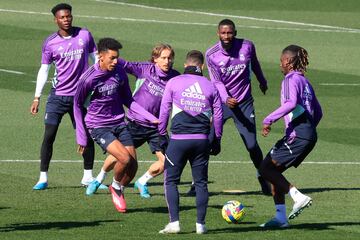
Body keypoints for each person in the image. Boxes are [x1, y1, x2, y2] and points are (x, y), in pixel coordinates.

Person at [74, 38, 159, 213]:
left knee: (133, 166)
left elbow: (128, 99)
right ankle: (115, 186)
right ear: (100, 56)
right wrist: (81, 137)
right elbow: (76, 104)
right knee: (124, 158)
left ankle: (118, 186)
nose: (115, 61)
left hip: (120, 122)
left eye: (117, 58)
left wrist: (150, 117)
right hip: (98, 126)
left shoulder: (119, 72)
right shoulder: (88, 78)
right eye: (112, 58)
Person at [85, 44, 180, 198]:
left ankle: (142, 181)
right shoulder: (145, 69)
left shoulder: (175, 77)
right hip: (135, 122)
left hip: (156, 127)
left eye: (170, 58)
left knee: (167, 161)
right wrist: (105, 55)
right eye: (163, 58)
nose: (167, 61)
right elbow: (125, 64)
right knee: (120, 156)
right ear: (155, 59)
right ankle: (99, 179)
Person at [30, 3, 104, 190]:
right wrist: (37, 97)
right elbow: (44, 70)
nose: (66, 19)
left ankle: (88, 176)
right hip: (57, 97)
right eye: (62, 17)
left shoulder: (84, 35)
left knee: (86, 135)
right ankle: (43, 178)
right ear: (55, 20)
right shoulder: (50, 43)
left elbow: (95, 59)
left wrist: (98, 80)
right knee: (49, 135)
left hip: (80, 97)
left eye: (68, 16)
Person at [199, 18, 271, 196]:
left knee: (252, 145)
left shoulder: (247, 46)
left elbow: (254, 63)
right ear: (218, 34)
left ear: (235, 33)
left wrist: (262, 80)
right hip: (221, 103)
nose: (226, 36)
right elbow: (216, 81)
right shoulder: (211, 54)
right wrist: (226, 98)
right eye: (223, 33)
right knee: (206, 142)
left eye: (229, 32)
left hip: (244, 103)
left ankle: (263, 178)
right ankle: (198, 183)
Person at [158, 50, 223, 234]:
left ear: (185, 65)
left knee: (171, 181)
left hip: (178, 141)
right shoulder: (210, 86)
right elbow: (218, 116)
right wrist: (216, 139)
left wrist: (162, 134)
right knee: (201, 182)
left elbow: (164, 111)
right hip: (201, 141)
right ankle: (200, 225)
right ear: (201, 67)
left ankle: (174, 223)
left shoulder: (173, 82)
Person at [259, 45, 322, 228]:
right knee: (273, 171)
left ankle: (297, 196)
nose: (280, 65)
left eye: (281, 61)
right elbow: (318, 112)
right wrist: (308, 131)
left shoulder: (290, 79)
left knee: (265, 169)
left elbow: (290, 103)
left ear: (287, 61)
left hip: (299, 135)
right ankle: (280, 218)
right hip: (307, 135)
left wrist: (269, 119)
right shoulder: (306, 82)